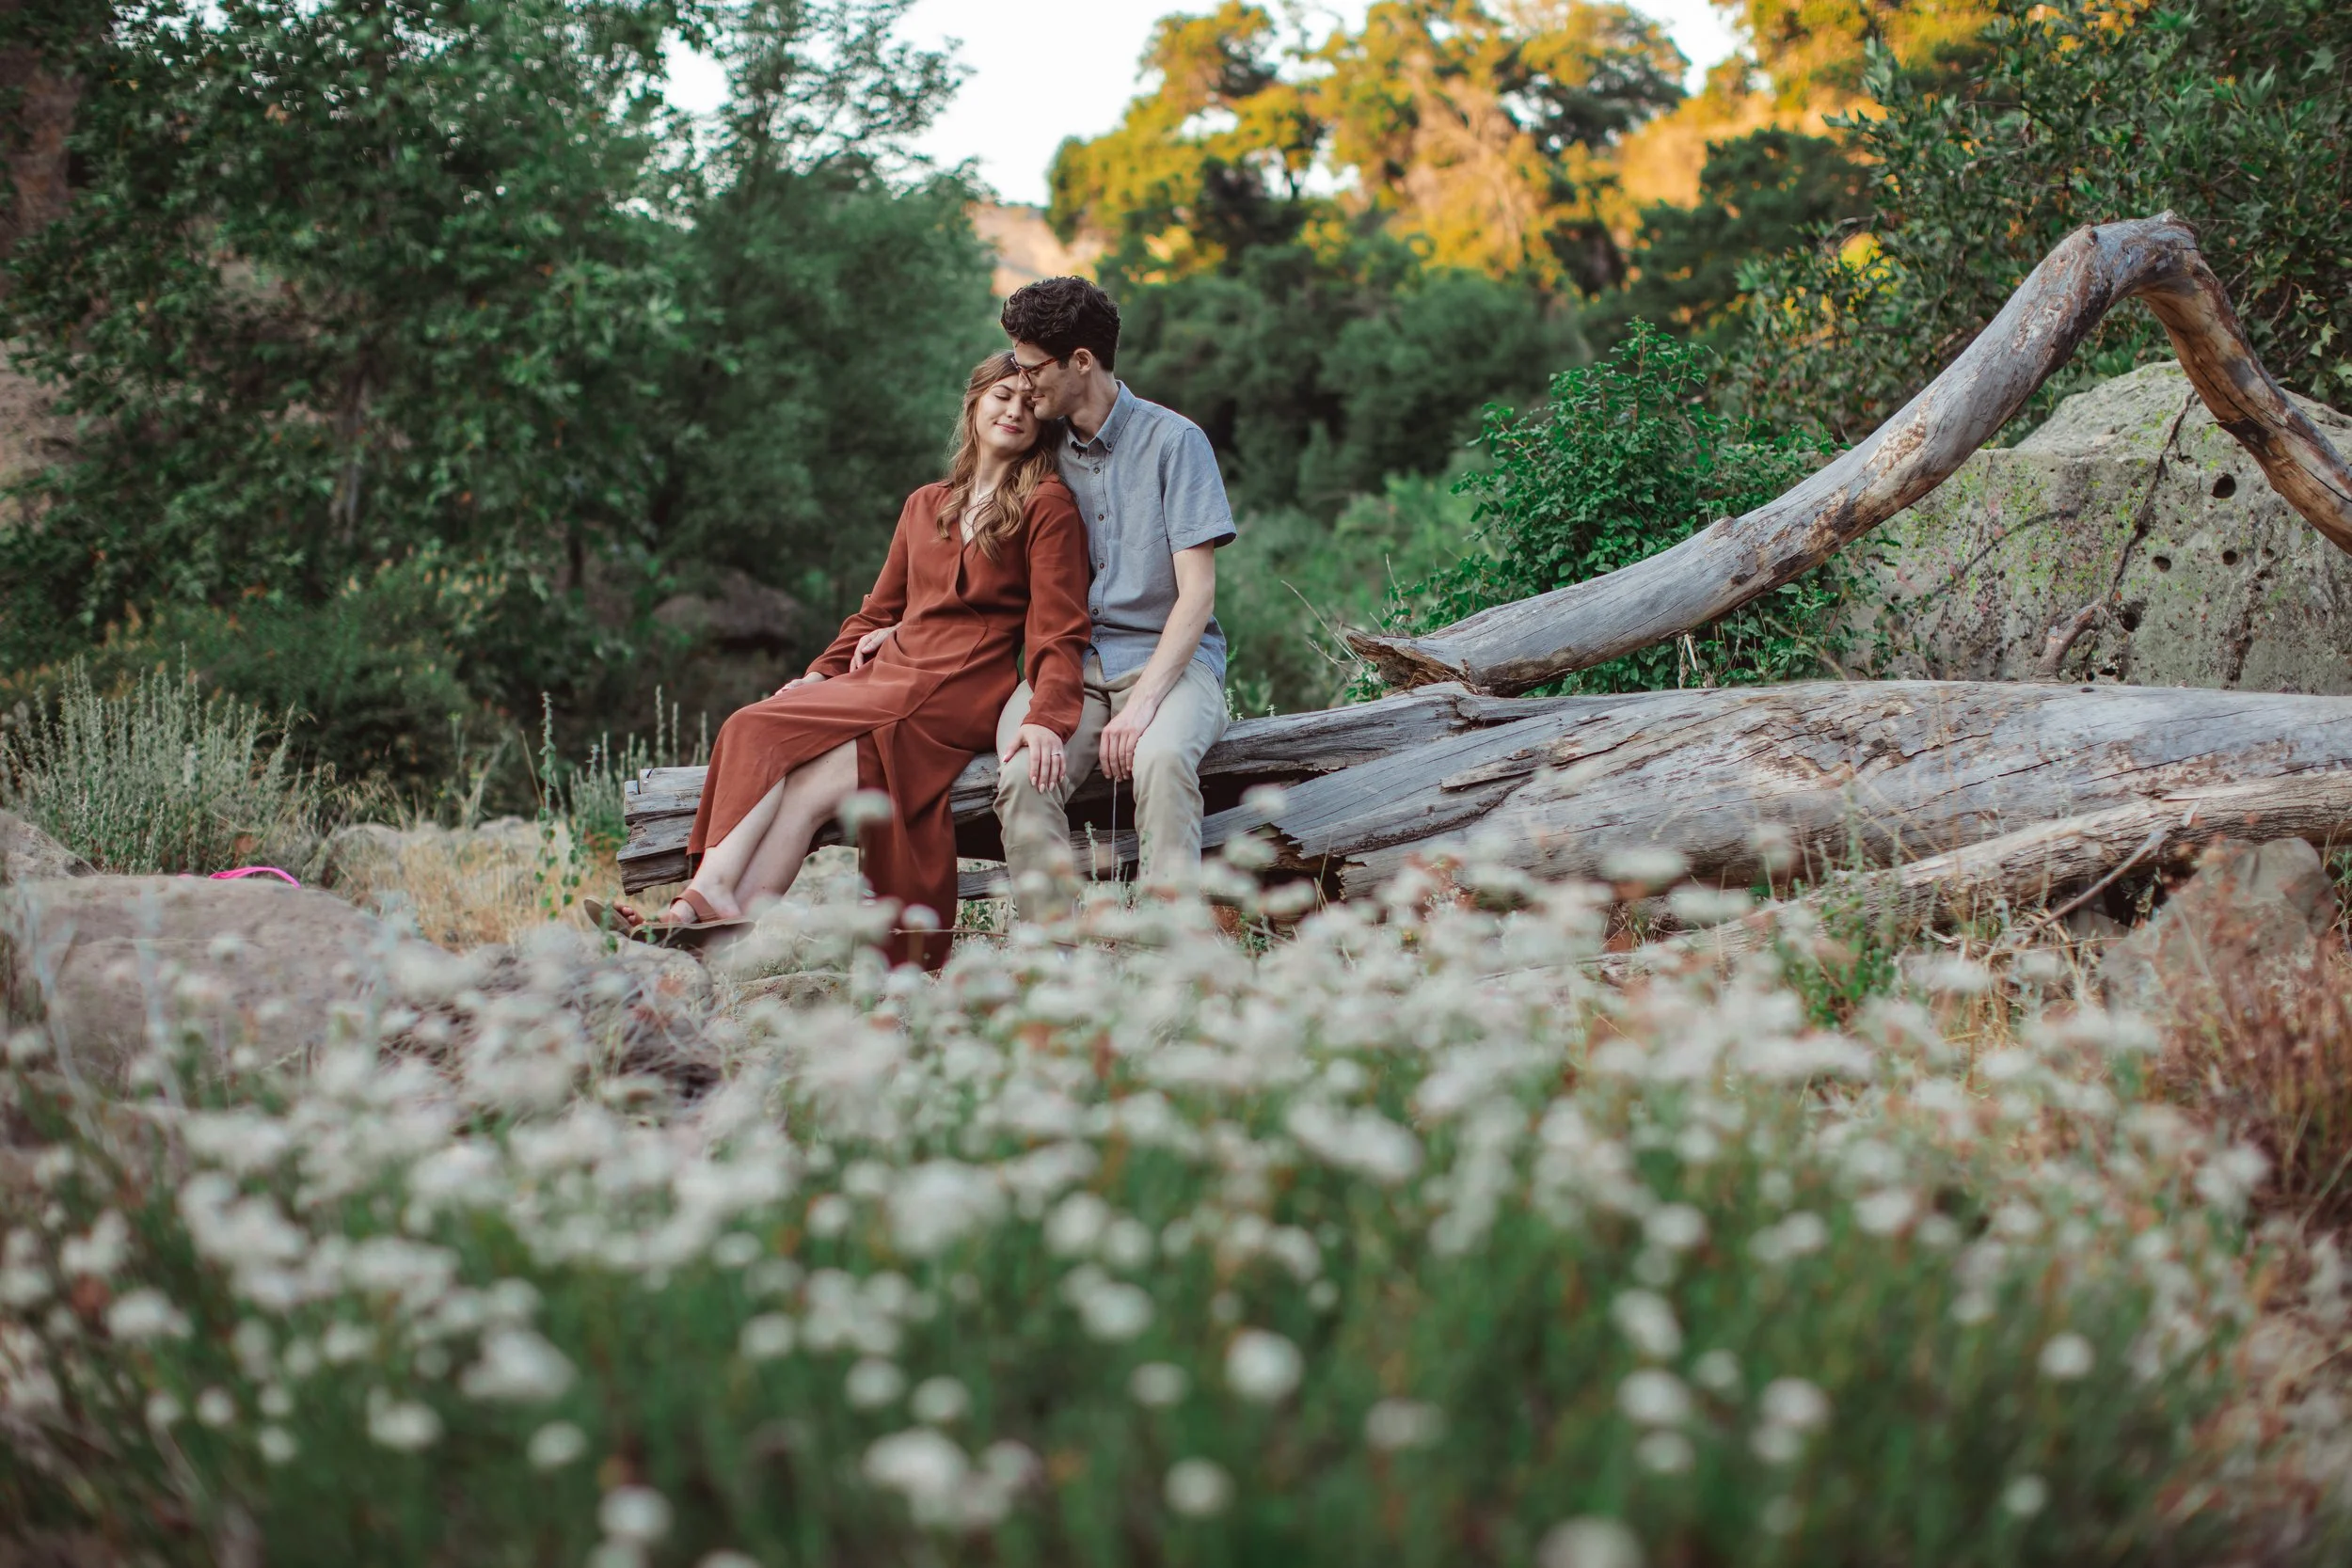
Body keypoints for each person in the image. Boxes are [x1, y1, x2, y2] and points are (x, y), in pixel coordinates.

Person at [612, 352, 1091, 970]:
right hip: (893, 674)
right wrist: (819, 674)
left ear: (1043, 423)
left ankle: (700, 901)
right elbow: (875, 611)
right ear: (974, 404)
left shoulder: (1046, 507)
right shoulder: (926, 504)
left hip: (962, 687)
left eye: (1030, 403)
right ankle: (712, 933)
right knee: (800, 778)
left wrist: (1049, 714)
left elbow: (1058, 627)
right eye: (1002, 395)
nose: (1014, 410)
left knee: (756, 728)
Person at [989, 276, 1238, 919]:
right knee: (1022, 775)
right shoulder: (1039, 451)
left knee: (1158, 759)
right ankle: (1058, 966)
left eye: (1032, 366)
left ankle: (1170, 950)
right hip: (1070, 665)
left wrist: (1142, 706)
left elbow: (1197, 596)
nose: (1021, 381)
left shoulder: (1175, 442)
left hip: (1170, 664)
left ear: (1081, 362)